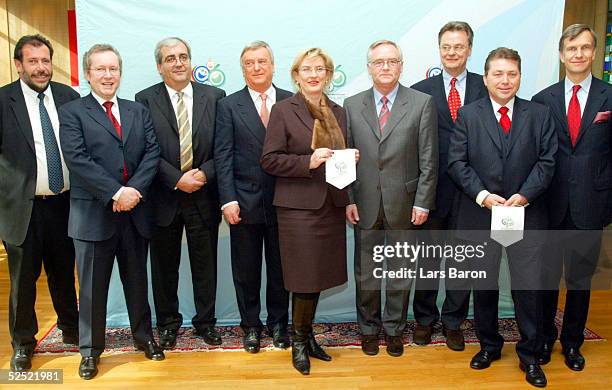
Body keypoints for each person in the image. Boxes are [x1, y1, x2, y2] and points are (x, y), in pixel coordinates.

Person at [447, 47, 557, 387]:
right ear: (486, 77)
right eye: (498, 74)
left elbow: (547, 161)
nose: (505, 80)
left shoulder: (539, 114)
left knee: (528, 288)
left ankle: (530, 355)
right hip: (481, 215)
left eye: (511, 74)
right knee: (485, 285)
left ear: (520, 76)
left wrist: (523, 195)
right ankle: (489, 346)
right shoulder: (468, 114)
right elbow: (457, 162)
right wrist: (483, 196)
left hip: (526, 213)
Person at [59, 44, 163, 380]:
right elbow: (77, 159)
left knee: (137, 282)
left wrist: (134, 192)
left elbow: (152, 152)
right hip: (93, 216)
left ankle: (144, 337)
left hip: (135, 212)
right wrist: (116, 192)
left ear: (120, 73)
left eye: (113, 69)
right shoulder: (73, 112)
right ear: (88, 74)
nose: (108, 75)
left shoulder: (137, 110)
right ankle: (90, 352)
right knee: (91, 289)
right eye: (100, 69)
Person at [261, 48, 352, 375]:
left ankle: (309, 337)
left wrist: (347, 163)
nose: (314, 75)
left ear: (328, 75)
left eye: (320, 69)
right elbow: (269, 159)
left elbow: (338, 160)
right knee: (302, 278)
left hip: (330, 205)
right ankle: (298, 342)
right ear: (296, 75)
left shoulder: (338, 112)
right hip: (297, 209)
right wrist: (307, 161)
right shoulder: (284, 110)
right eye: (306, 69)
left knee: (317, 277)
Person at [344, 39, 438, 357]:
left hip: (406, 203)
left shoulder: (422, 103)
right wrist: (348, 199)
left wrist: (423, 201)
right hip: (365, 203)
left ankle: (394, 330)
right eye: (379, 62)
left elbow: (429, 159)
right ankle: (368, 329)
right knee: (366, 273)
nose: (385, 67)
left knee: (400, 273)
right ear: (369, 67)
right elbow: (344, 159)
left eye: (392, 61)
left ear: (401, 65)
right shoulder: (352, 105)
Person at [135, 37, 225, 349]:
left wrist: (204, 173)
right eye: (170, 58)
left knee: (206, 264)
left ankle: (206, 323)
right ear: (160, 66)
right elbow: (144, 151)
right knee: (163, 267)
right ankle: (168, 324)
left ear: (190, 61)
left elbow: (224, 148)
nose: (178, 63)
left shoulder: (215, 96)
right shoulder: (144, 99)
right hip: (164, 196)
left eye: (183, 56)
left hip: (203, 194)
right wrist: (176, 179)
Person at [532, 24, 612, 371]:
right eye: (571, 48)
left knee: (580, 281)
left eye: (584, 48)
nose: (577, 54)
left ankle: (573, 342)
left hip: (591, 205)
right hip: (549, 205)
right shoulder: (542, 99)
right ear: (561, 55)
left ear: (593, 52)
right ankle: (546, 337)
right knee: (546, 280)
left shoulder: (610, 97)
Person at [0, 34, 79, 371]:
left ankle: (72, 330)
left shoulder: (68, 97)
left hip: (65, 204)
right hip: (23, 208)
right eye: (33, 61)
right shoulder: (3, 101)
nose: (41, 67)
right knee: (23, 281)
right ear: (19, 65)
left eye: (45, 60)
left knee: (64, 273)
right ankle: (23, 343)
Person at [411, 21, 487, 350]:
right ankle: (425, 320)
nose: (452, 52)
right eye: (446, 46)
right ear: (439, 49)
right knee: (427, 261)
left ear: (469, 49)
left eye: (459, 46)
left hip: (473, 192)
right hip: (432, 191)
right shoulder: (419, 91)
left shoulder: (487, 88)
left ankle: (454, 320)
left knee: (463, 260)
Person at [214, 41, 291, 353]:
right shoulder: (229, 105)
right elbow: (223, 156)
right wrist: (227, 199)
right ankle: (250, 327)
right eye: (249, 63)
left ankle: (278, 324)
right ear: (242, 68)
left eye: (262, 61)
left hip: (284, 202)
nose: (256, 67)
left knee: (281, 269)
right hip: (243, 203)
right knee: (246, 270)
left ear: (273, 65)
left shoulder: (291, 101)